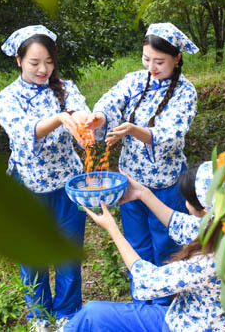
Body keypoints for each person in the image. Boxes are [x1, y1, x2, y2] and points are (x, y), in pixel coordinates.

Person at [62, 161, 225, 332]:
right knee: (93, 314)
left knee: (92, 314)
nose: (185, 204)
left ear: (204, 211)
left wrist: (113, 229)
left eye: (187, 199)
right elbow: (179, 223)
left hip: (188, 326)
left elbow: (148, 280)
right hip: (190, 319)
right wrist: (142, 193)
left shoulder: (209, 261)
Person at [85, 22, 199, 304]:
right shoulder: (136, 80)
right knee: (137, 242)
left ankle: (163, 305)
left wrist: (132, 129)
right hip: (131, 182)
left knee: (165, 245)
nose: (152, 67)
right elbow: (112, 101)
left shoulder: (186, 92)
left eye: (159, 61)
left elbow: (171, 135)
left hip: (165, 185)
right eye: (147, 59)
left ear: (177, 58)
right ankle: (141, 301)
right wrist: (100, 117)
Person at [0, 25, 98, 332]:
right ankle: (39, 314)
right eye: (35, 63)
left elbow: (81, 117)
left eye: (49, 62)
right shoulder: (7, 98)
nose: (43, 69)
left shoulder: (66, 88)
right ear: (18, 60)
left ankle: (68, 311)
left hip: (67, 184)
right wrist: (58, 119)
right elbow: (23, 132)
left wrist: (83, 121)